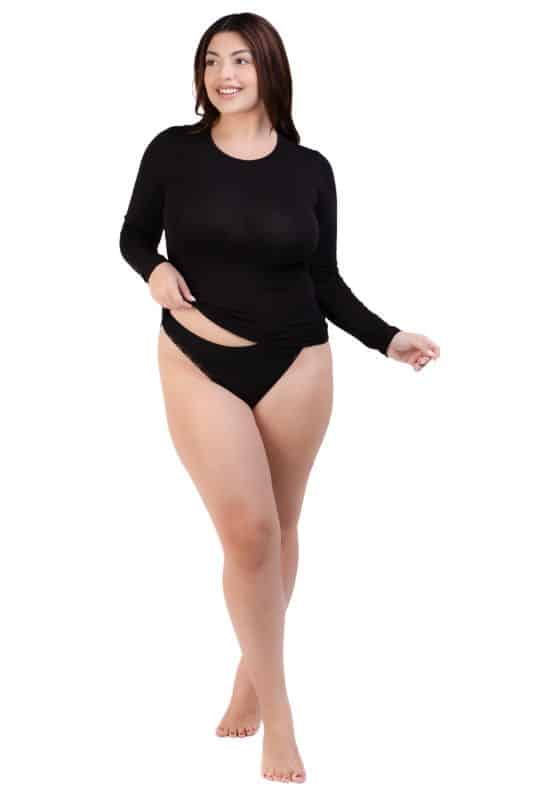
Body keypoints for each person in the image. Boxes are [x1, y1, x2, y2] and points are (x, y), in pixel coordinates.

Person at [119, 12, 440, 784]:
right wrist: (154, 270)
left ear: (269, 69)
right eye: (211, 60)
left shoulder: (309, 169)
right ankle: (281, 715)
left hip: (298, 363)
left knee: (282, 528)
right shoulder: (172, 151)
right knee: (250, 533)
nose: (223, 74)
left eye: (240, 60)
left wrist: (385, 337)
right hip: (198, 359)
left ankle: (248, 675)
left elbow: (323, 278)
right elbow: (133, 236)